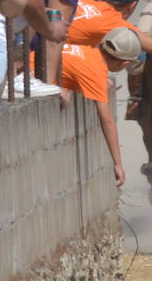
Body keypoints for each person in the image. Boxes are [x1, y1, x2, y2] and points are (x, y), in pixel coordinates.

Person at [59, 26, 142, 188]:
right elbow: (107, 120)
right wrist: (117, 163)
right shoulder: (96, 71)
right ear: (124, 63)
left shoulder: (86, 50)